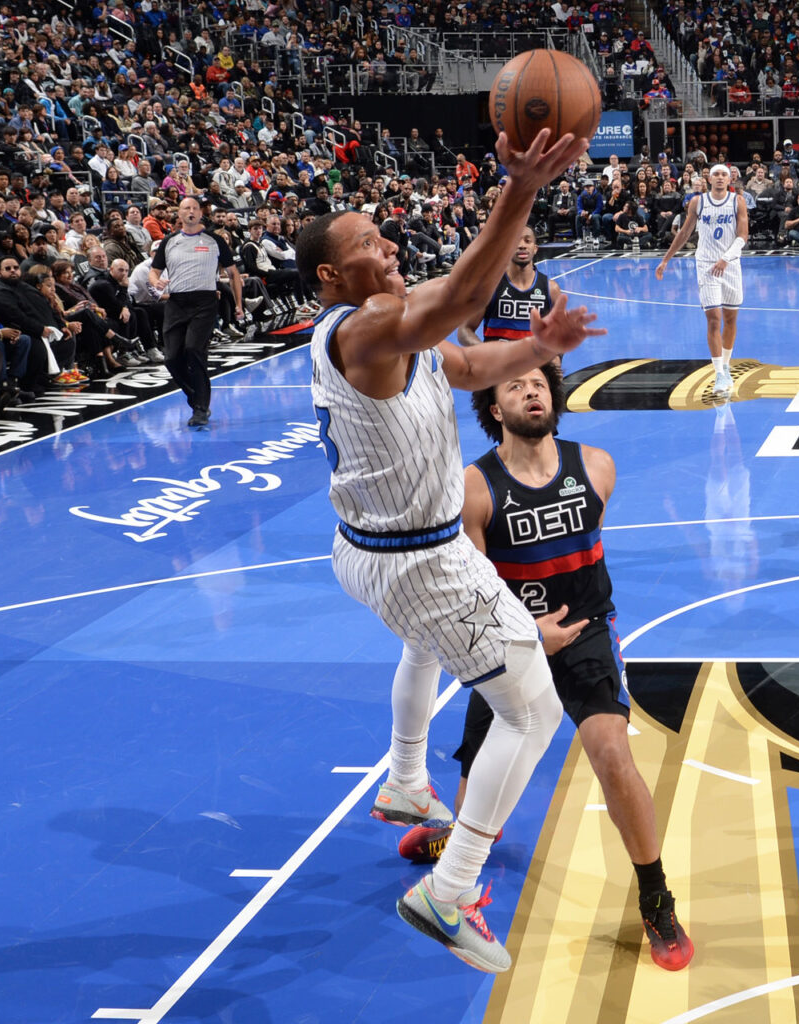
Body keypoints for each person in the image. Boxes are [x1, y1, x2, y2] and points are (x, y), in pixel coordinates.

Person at [295, 126, 599, 973]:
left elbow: (465, 365)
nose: (388, 246)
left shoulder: (394, 325)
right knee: (532, 711)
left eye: (383, 236)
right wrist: (522, 185)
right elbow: (466, 294)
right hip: (422, 560)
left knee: (424, 647)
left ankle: (403, 779)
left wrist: (539, 349)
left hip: (368, 549)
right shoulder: (365, 332)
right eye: (367, 244)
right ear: (330, 277)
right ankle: (450, 888)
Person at [394, 360, 694, 971]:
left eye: (538, 383)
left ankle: (656, 898)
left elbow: (586, 557)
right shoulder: (475, 487)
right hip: (508, 638)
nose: (531, 390)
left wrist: (560, 628)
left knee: (612, 754)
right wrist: (532, 632)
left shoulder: (597, 467)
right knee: (480, 779)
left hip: (585, 632)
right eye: (515, 385)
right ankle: (461, 841)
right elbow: (472, 590)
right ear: (494, 409)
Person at [149, 196, 243, 428]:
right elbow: (154, 271)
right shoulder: (169, 242)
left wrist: (239, 304)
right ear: (179, 214)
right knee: (171, 358)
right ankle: (195, 396)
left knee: (194, 349)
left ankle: (200, 408)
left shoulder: (214, 240)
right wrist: (156, 282)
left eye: (194, 208)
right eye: (186, 208)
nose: (191, 211)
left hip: (205, 301)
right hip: (176, 302)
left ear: (201, 213)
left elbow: (233, 273)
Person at [655, 163, 748, 397]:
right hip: (706, 265)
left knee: (730, 319)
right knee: (714, 319)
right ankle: (719, 373)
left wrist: (726, 258)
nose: (720, 177)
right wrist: (666, 259)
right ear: (709, 179)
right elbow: (685, 232)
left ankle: (726, 365)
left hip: (730, 265)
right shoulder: (698, 202)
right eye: (716, 174)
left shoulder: (737, 201)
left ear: (729, 179)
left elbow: (743, 236)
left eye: (723, 174)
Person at [458, 225, 559, 347]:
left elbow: (560, 333)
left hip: (535, 359)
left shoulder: (551, 289)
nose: (522, 245)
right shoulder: (490, 287)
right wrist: (487, 353)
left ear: (535, 248)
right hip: (497, 359)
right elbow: (465, 330)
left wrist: (556, 356)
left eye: (527, 241)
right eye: (516, 240)